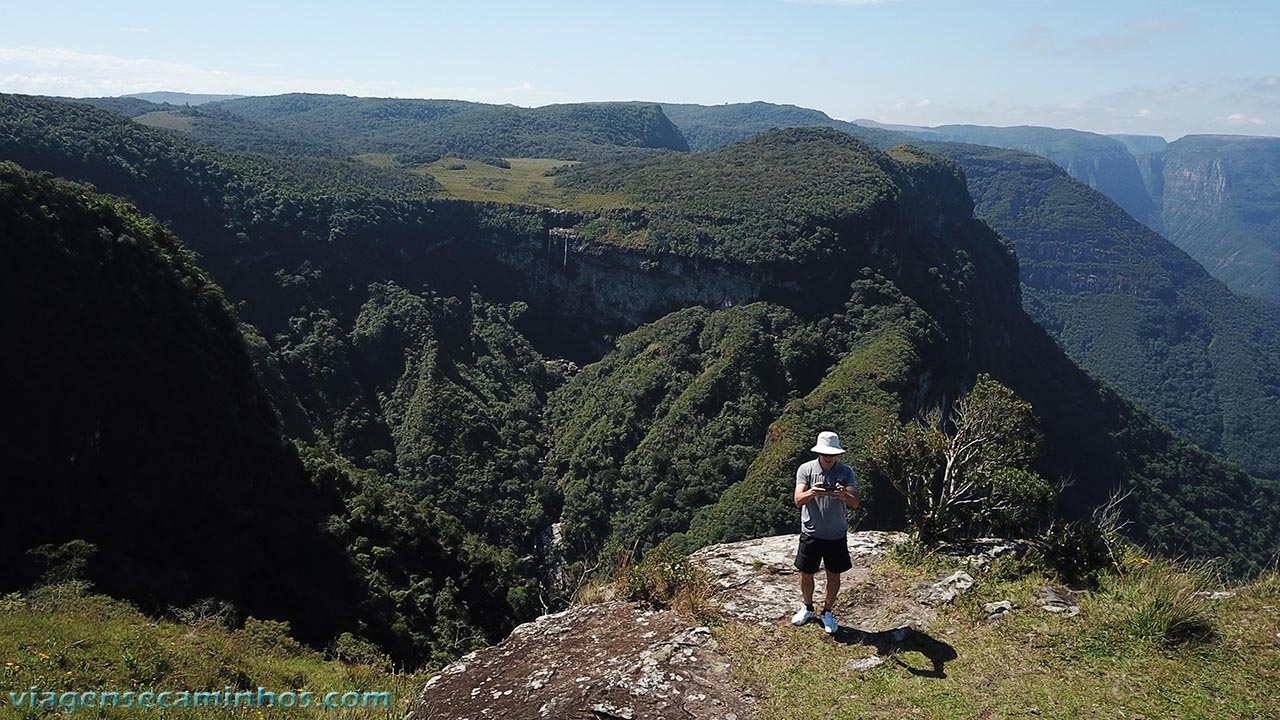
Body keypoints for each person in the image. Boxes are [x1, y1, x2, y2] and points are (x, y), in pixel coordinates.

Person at [791, 430, 860, 634]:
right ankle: (808, 607)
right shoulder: (806, 469)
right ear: (819, 453)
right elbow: (798, 500)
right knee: (806, 572)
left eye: (832, 454)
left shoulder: (846, 471)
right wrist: (813, 491)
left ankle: (827, 611)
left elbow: (855, 503)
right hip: (811, 532)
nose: (828, 457)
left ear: (837, 454)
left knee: (834, 574)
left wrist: (843, 494)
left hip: (836, 534)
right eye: (825, 454)